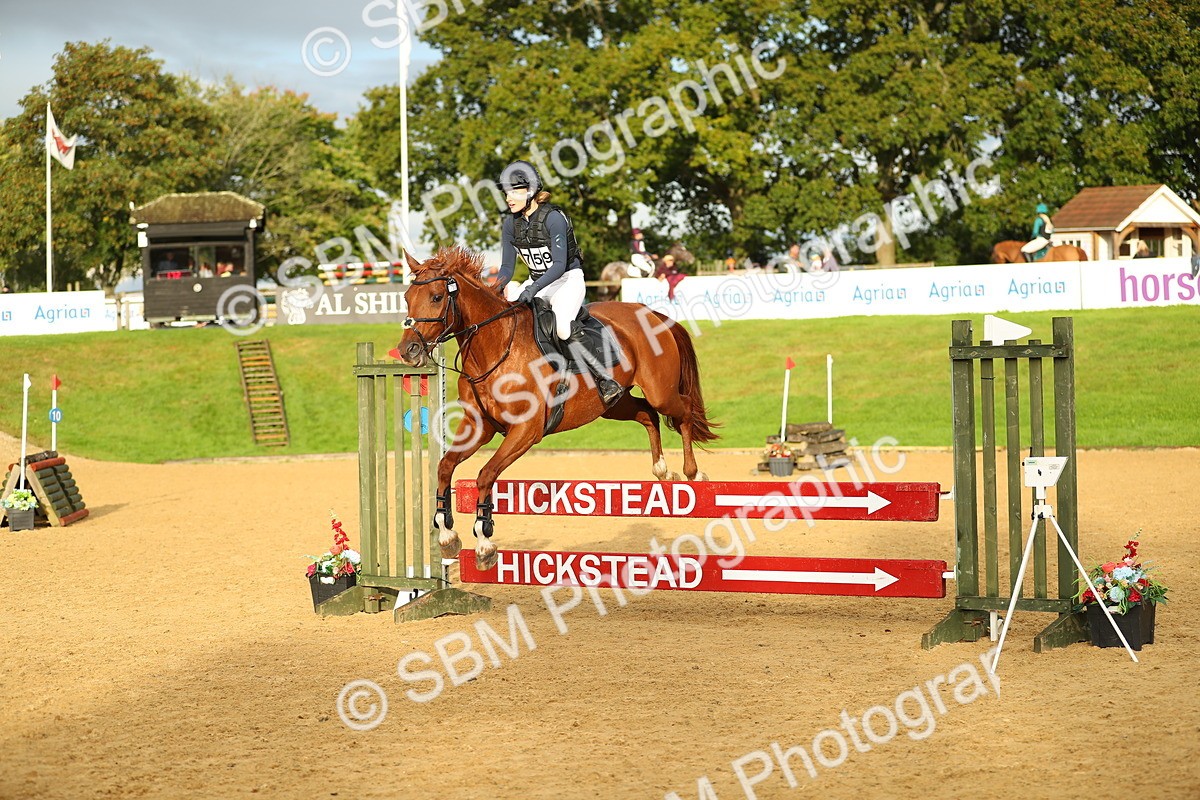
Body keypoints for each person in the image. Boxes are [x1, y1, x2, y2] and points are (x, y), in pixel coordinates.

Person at [496, 160, 623, 405]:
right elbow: (507, 268)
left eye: (515, 191)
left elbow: (558, 265)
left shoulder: (553, 218)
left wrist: (532, 290)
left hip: (567, 280)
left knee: (563, 327)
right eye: (506, 193)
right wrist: (492, 289)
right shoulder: (511, 223)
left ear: (530, 192)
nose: (509, 198)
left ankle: (605, 379)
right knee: (507, 316)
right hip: (536, 281)